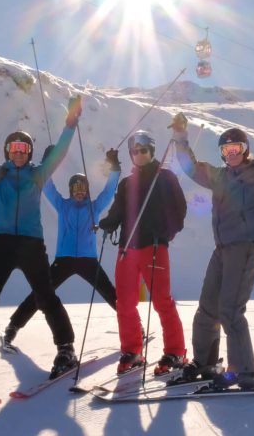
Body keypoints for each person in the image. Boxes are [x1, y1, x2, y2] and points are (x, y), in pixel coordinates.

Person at [0, 87, 82, 382]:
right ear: (8, 152)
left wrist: (70, 124)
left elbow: (60, 152)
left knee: (46, 296)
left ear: (30, 154)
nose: (19, 153)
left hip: (31, 245)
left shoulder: (38, 175)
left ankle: (66, 349)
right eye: (14, 149)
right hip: (1, 245)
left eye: (24, 149)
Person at [171, 114, 254, 390]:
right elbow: (190, 168)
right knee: (207, 307)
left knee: (230, 310)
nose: (231, 154)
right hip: (223, 248)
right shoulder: (218, 176)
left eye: (236, 149)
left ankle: (243, 372)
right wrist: (181, 137)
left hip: (246, 246)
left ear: (245, 150)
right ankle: (205, 363)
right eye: (226, 150)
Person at [2, 152, 121, 349]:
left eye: (83, 188)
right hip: (63, 260)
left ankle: (135, 326)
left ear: (87, 190)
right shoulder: (62, 205)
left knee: (109, 292)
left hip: (88, 260)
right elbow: (48, 186)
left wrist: (115, 170)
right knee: (40, 292)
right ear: (71, 190)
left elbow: (109, 192)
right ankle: (13, 326)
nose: (80, 191)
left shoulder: (94, 207)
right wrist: (46, 163)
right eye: (76, 187)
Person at [98, 130, 187, 376]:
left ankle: (176, 351)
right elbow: (117, 211)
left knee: (161, 302)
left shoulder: (165, 177)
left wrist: (166, 231)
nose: (139, 154)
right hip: (127, 249)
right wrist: (108, 223)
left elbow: (179, 211)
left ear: (152, 151)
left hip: (155, 246)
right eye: (135, 151)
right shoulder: (127, 183)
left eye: (143, 150)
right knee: (124, 302)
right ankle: (132, 351)